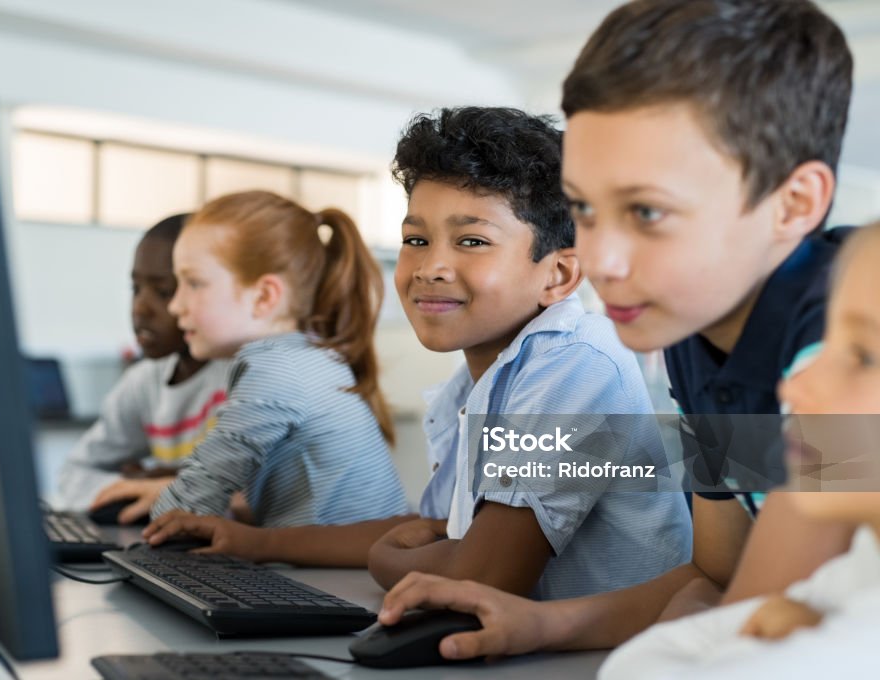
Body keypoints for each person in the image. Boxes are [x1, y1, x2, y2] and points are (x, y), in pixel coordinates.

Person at [376, 0, 858, 658]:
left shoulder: (847, 336)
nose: (600, 261)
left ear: (793, 204)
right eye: (585, 209)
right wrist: (539, 625)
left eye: (648, 211)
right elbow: (719, 577)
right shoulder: (697, 332)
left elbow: (763, 620)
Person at [145, 108, 691, 601]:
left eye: (471, 241)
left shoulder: (573, 360)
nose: (430, 266)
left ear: (560, 274)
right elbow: (431, 529)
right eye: (416, 239)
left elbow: (483, 575)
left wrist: (387, 559)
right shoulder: (477, 381)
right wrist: (254, 542)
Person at [598, 222, 880, 680]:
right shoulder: (862, 568)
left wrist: (728, 625)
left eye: (863, 357)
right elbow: (715, 571)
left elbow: (637, 669)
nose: (794, 384)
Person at [97, 190, 408, 527]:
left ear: (263, 296)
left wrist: (159, 514)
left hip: (336, 576)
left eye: (193, 284)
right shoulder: (305, 357)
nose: (175, 306)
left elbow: (192, 501)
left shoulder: (277, 371)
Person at [57, 213, 231, 516]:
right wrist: (133, 486)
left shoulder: (242, 376)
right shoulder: (145, 382)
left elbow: (254, 499)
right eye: (136, 289)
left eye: (163, 292)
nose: (140, 308)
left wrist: (170, 483)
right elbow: (73, 475)